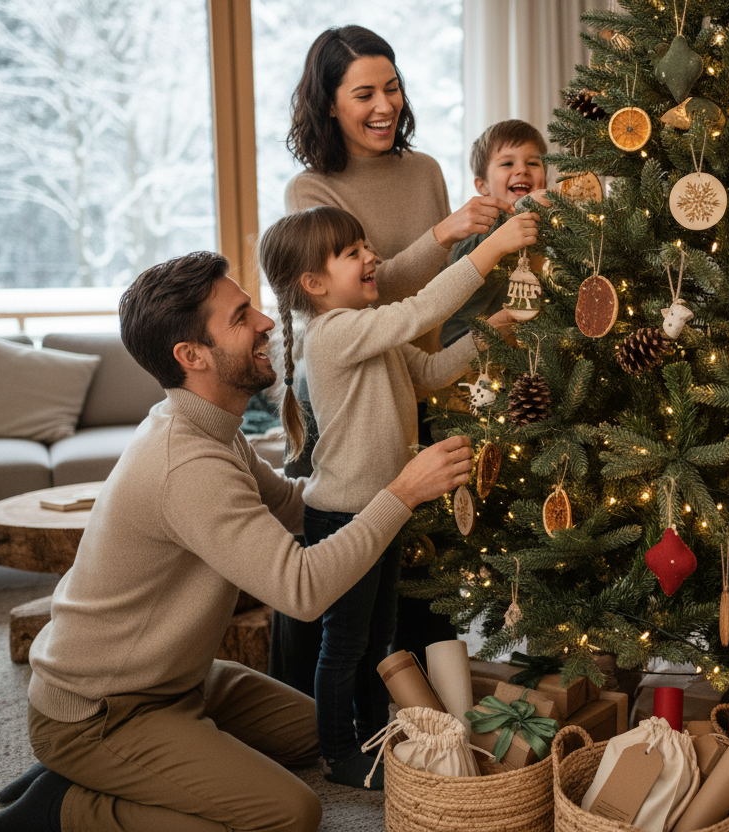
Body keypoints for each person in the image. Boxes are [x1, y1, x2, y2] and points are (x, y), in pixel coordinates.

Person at [0, 251, 474, 832]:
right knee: (289, 812)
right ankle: (67, 805)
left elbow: (292, 505)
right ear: (191, 356)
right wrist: (401, 493)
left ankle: (115, 767)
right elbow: (302, 589)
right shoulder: (186, 463)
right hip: (102, 709)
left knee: (311, 733)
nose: (266, 322)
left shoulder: (213, 427)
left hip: (179, 680)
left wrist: (367, 471)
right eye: (241, 317)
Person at [273, 23, 518, 694]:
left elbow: (435, 301)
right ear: (328, 103)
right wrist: (444, 234)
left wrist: (496, 310)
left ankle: (416, 702)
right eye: (363, 94)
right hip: (352, 389)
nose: (384, 106)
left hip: (416, 376)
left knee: (418, 571)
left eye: (392, 87)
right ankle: (323, 708)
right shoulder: (311, 190)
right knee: (349, 571)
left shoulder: (426, 171)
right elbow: (372, 300)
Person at [257, 203, 536, 788]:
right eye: (352, 253)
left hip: (382, 510)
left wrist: (493, 331)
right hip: (343, 516)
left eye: (366, 247)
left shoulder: (366, 327)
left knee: (374, 635)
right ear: (313, 284)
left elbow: (432, 370)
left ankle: (366, 730)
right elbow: (423, 310)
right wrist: (490, 250)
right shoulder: (333, 334)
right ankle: (336, 752)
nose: (371, 258)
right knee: (345, 642)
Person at [442, 118, 549, 348]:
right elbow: (502, 230)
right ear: (483, 187)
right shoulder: (479, 228)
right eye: (507, 164)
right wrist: (525, 207)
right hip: (466, 352)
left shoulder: (549, 230)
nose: (522, 170)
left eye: (533, 163)